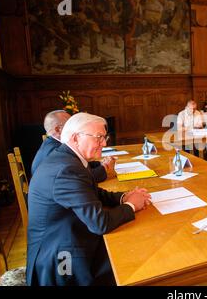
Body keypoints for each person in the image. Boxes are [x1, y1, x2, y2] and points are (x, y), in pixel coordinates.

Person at [27, 113, 152, 286]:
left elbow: (92, 192)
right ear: (76, 138)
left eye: (104, 137)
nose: (105, 143)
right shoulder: (66, 169)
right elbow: (99, 223)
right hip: (61, 261)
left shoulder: (68, 158)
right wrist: (132, 206)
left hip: (70, 237)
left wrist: (123, 197)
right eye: (99, 137)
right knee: (133, 259)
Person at [31, 110, 114, 183]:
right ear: (57, 129)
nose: (104, 143)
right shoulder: (54, 149)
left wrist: (99, 163)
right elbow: (78, 177)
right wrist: (104, 168)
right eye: (70, 123)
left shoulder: (54, 144)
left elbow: (80, 166)